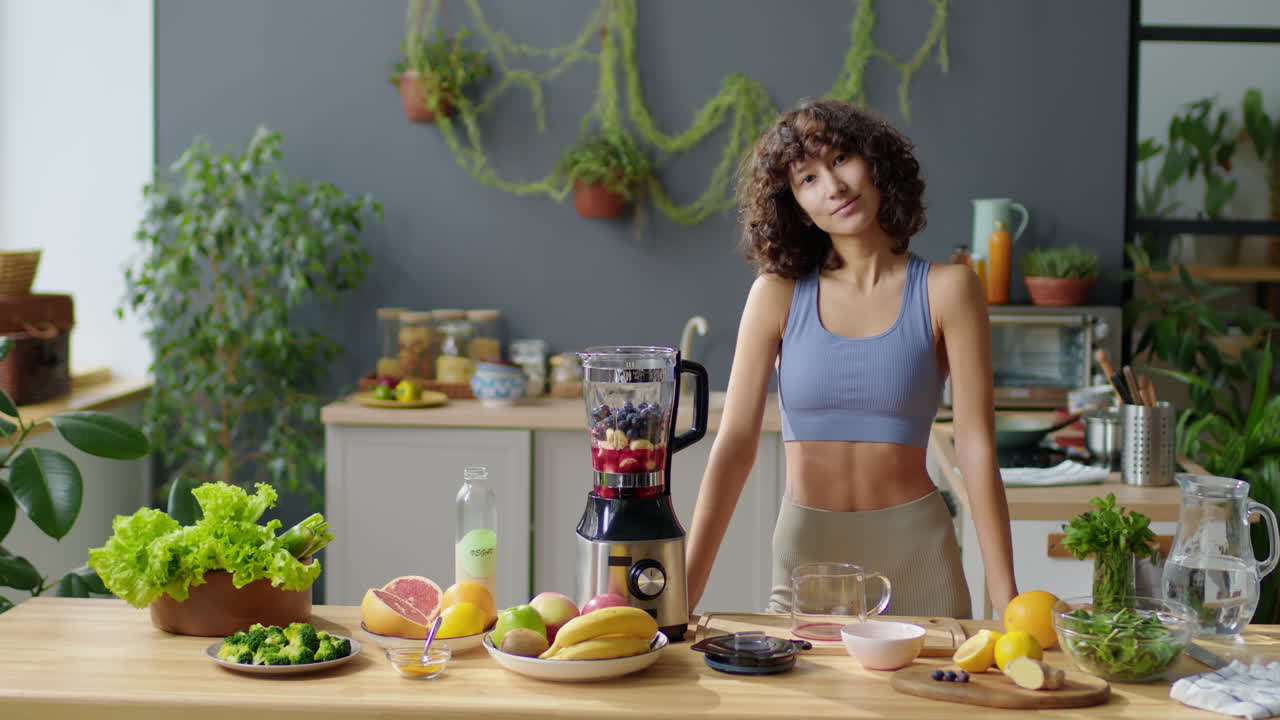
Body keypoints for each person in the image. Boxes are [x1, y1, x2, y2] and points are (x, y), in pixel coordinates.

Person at [684, 98, 1017, 620]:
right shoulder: (776, 295)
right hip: (807, 566)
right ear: (795, 206)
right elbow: (735, 445)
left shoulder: (949, 290)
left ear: (876, 164)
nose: (833, 186)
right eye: (807, 179)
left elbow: (975, 448)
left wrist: (1008, 603)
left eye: (840, 159)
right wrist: (685, 591)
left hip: (921, 561)